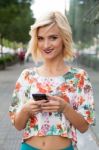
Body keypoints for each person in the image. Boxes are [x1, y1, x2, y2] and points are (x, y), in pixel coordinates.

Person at [9, 11, 95, 150]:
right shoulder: (27, 76)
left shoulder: (79, 77)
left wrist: (65, 108)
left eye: (53, 37)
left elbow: (84, 127)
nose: (46, 44)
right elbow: (18, 125)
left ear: (64, 38)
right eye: (41, 38)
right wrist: (26, 110)